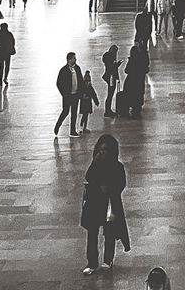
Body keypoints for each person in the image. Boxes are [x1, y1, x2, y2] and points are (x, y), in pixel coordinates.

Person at [80, 133, 130, 275]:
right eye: (101, 149)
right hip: (95, 202)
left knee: (109, 232)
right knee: (92, 232)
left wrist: (110, 189)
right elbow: (89, 177)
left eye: (106, 150)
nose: (103, 152)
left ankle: (108, 259)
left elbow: (121, 184)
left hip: (109, 203)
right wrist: (95, 163)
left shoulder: (117, 167)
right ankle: (92, 262)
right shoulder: (96, 164)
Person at [56, 52, 83, 136]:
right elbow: (59, 83)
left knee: (74, 113)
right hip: (68, 95)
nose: (75, 59)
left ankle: (72, 130)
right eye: (74, 58)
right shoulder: (63, 70)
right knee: (65, 111)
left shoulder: (77, 68)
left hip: (75, 94)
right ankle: (58, 125)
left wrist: (81, 92)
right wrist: (64, 93)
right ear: (69, 59)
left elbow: (81, 81)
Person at [123, 43, 148, 117]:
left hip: (130, 82)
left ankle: (129, 109)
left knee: (130, 96)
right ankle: (136, 111)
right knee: (138, 96)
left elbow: (126, 71)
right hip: (139, 82)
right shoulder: (141, 61)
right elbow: (146, 70)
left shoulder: (131, 60)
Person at [102, 45, 121, 115]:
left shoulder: (107, 57)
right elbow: (112, 68)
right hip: (111, 77)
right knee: (110, 94)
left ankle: (108, 110)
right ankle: (108, 111)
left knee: (110, 94)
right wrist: (118, 64)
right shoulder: (111, 58)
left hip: (110, 77)